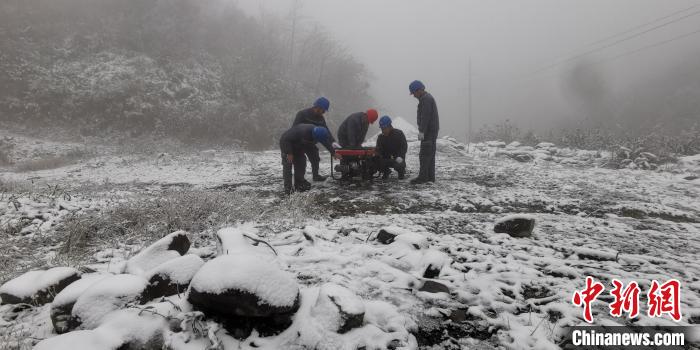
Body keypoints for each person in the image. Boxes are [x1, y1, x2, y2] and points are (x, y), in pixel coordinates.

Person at [279, 124, 334, 194]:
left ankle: (299, 184)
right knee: (288, 165)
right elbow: (286, 139)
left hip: (299, 147)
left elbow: (325, 142)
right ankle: (288, 189)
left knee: (301, 163)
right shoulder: (302, 131)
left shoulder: (320, 133)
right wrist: (289, 152)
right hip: (287, 144)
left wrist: (333, 152)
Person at [292, 97, 336, 181]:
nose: (323, 113)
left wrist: (333, 142)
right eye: (323, 110)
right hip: (299, 142)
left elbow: (326, 132)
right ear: (318, 107)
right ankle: (300, 180)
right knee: (300, 162)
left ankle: (316, 176)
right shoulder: (302, 114)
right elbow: (294, 129)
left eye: (324, 111)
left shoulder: (321, 118)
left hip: (311, 143)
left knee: (315, 158)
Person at [408, 80, 439, 184]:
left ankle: (423, 177)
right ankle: (430, 177)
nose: (414, 96)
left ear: (419, 90)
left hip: (428, 132)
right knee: (429, 154)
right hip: (431, 131)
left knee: (424, 155)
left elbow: (425, 117)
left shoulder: (426, 99)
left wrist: (421, 132)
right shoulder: (427, 98)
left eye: (414, 93)